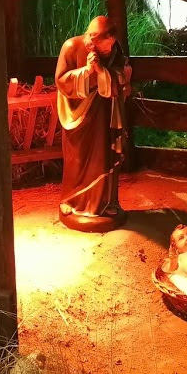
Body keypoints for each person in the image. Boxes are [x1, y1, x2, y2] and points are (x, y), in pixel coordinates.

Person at [54, 16, 132, 230]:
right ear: (93, 39)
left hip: (106, 113)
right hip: (79, 117)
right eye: (106, 45)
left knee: (105, 156)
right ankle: (72, 201)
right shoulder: (71, 47)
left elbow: (121, 75)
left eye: (112, 45)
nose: (109, 49)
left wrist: (101, 72)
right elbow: (61, 81)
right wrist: (86, 71)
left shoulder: (114, 51)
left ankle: (106, 203)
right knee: (77, 159)